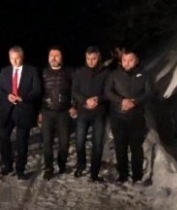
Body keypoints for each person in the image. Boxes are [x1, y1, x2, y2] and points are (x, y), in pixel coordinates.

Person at [104, 50, 152, 183]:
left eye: (130, 60)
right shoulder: (114, 75)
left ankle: (137, 175)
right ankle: (123, 174)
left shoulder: (144, 74)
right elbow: (107, 91)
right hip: (118, 117)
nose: (127, 63)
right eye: (125, 60)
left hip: (136, 116)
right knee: (120, 147)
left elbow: (149, 92)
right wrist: (121, 101)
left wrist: (134, 102)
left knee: (136, 147)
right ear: (121, 61)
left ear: (136, 60)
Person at [0, 46, 42, 179]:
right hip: (7, 111)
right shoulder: (4, 71)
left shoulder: (31, 71)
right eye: (12, 59)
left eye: (17, 59)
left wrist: (24, 98)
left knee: (21, 141)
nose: (15, 62)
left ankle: (20, 169)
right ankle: (7, 165)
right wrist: (7, 96)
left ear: (22, 57)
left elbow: (37, 90)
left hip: (24, 110)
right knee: (3, 138)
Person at [72, 46, 110, 182]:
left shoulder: (106, 73)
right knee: (80, 141)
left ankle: (94, 172)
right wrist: (85, 100)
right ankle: (81, 165)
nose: (91, 61)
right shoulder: (80, 72)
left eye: (93, 59)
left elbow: (109, 92)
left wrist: (98, 99)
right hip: (83, 112)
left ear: (98, 57)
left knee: (97, 143)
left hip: (99, 113)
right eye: (88, 59)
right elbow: (74, 90)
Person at [39, 46, 76, 180]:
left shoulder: (69, 72)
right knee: (47, 141)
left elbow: (75, 90)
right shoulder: (43, 72)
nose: (53, 58)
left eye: (57, 55)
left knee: (64, 141)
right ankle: (48, 168)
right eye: (51, 56)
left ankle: (62, 163)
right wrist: (39, 111)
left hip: (64, 112)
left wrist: (74, 106)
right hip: (47, 111)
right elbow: (39, 92)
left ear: (62, 57)